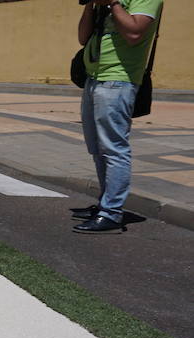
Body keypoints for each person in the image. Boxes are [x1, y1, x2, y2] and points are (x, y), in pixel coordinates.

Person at [72, 0, 163, 234]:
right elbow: (83, 37)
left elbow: (134, 32)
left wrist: (113, 3)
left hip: (118, 80)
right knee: (97, 148)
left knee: (113, 148)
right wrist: (90, 4)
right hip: (94, 78)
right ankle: (105, 203)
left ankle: (111, 213)